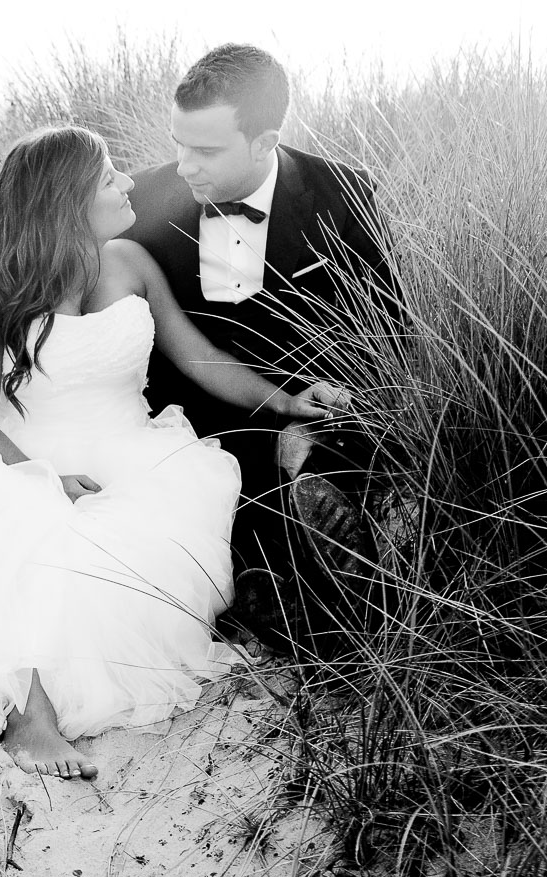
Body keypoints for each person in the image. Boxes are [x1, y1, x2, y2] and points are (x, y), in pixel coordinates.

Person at [0, 126, 348, 779]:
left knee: (128, 554)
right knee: (19, 524)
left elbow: (196, 356)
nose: (127, 183)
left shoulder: (130, 263)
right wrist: (44, 478)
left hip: (134, 457)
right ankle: (31, 718)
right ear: (65, 199)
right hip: (16, 455)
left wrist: (285, 401)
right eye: (108, 178)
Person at [120, 43, 402, 643]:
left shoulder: (343, 194)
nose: (186, 165)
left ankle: (330, 565)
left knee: (344, 451)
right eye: (179, 144)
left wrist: (336, 386)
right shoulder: (141, 199)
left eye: (206, 150)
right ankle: (269, 584)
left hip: (304, 394)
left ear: (264, 140)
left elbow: (382, 319)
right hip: (187, 401)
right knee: (207, 487)